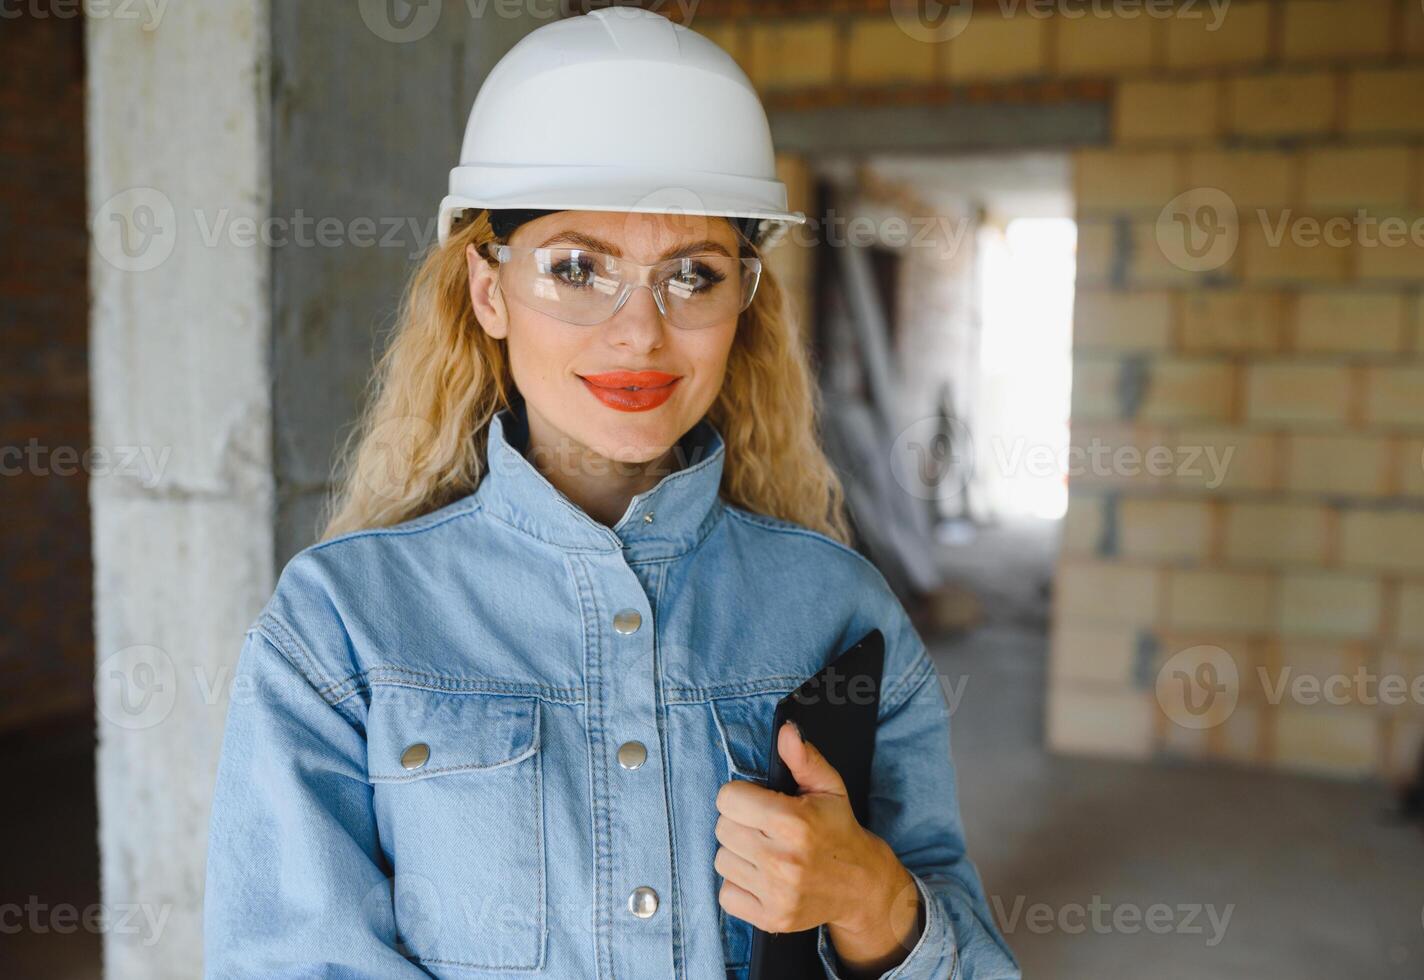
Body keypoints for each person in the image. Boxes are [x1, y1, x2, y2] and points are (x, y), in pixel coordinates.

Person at [202, 9, 1019, 979]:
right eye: (577, 268)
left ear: (742, 300)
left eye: (692, 274)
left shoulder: (838, 610)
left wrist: (873, 901)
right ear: (488, 289)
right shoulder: (339, 623)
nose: (640, 333)